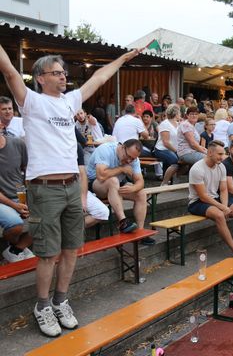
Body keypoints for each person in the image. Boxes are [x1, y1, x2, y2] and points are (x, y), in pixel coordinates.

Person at [0, 43, 142, 337]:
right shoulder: (30, 101)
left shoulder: (71, 100)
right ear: (41, 78)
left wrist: (123, 58)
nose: (64, 77)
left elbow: (100, 77)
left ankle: (60, 300)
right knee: (48, 254)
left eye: (64, 73)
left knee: (71, 251)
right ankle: (42, 305)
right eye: (56, 73)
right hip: (44, 189)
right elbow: (9, 70)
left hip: (71, 186)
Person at [188, 140, 233, 255]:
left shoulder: (221, 167)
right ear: (210, 153)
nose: (222, 157)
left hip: (215, 199)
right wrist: (222, 208)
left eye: (223, 154)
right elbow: (203, 197)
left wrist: (224, 205)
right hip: (197, 202)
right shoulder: (197, 169)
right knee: (219, 215)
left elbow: (223, 190)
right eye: (220, 154)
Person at [87, 139, 153, 244]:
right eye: (128, 157)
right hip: (95, 184)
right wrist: (121, 169)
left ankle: (140, 232)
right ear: (122, 147)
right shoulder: (105, 150)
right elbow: (101, 176)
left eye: (133, 159)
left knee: (141, 193)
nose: (129, 161)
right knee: (113, 181)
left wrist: (134, 188)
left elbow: (140, 181)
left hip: (117, 184)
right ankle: (123, 221)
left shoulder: (133, 159)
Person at [0, 133, 33, 262]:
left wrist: (28, 200)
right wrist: (16, 206)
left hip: (20, 195)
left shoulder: (17, 144)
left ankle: (17, 249)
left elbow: (27, 172)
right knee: (15, 225)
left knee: (48, 218)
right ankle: (17, 248)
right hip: (3, 200)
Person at [76, 143, 109, 229]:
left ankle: (72, 231)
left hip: (76, 188)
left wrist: (83, 197)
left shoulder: (76, 146)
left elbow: (83, 174)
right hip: (52, 188)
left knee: (103, 212)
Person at [154, 105, 180, 186]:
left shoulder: (178, 124)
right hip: (161, 149)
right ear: (176, 113)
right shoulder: (165, 124)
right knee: (175, 161)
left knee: (184, 162)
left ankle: (172, 179)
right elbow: (166, 142)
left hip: (173, 149)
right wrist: (176, 151)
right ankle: (164, 182)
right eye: (179, 112)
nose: (180, 114)